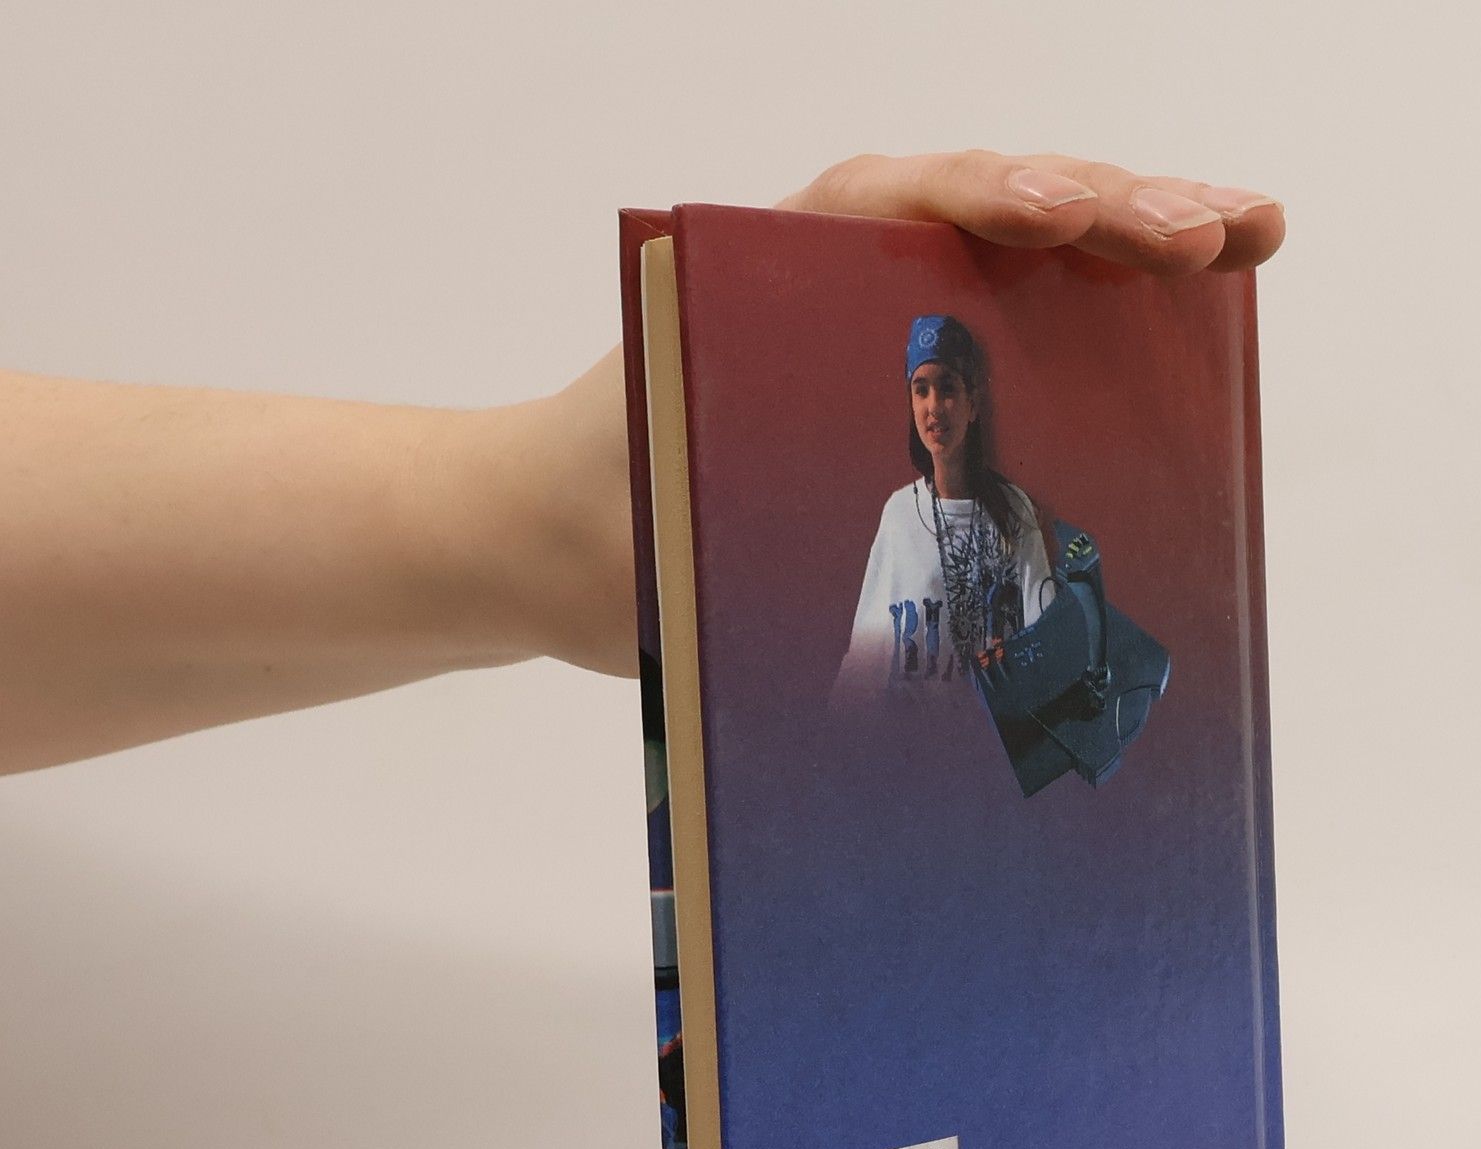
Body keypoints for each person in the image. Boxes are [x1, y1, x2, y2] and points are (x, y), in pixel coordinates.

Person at [0, 151, 1283, 777]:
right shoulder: (898, 524)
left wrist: (574, 528)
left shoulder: (1029, 524)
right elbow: (864, 714)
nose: (940, 407)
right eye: (924, 387)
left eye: (957, 387)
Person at [832, 313, 1051, 705]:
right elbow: (864, 665)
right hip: (916, 734)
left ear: (973, 403)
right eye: (921, 390)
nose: (934, 406)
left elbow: (1047, 641)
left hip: (994, 729)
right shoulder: (900, 514)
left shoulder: (1013, 512)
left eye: (947, 388)